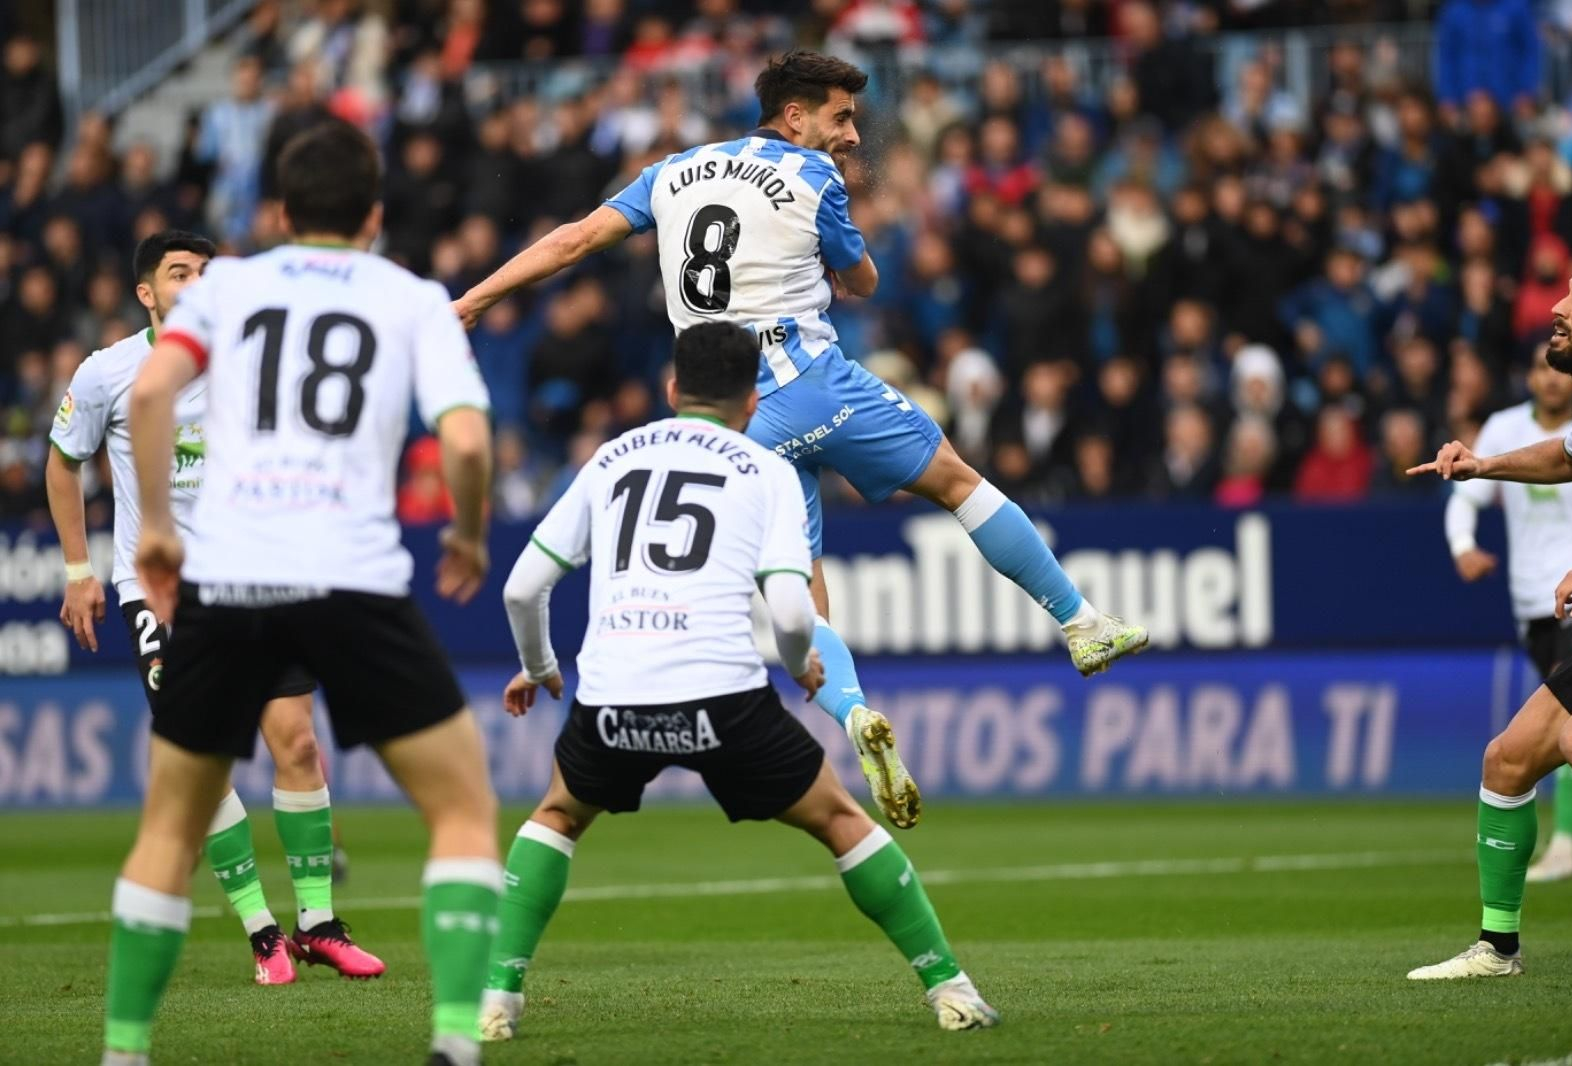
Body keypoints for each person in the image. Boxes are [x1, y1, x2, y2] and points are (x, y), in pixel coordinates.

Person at [452, 49, 1147, 830]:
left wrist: (475, 298)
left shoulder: (673, 171)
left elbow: (574, 240)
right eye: (841, 117)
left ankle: (852, 714)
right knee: (955, 480)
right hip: (812, 378)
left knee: (801, 579)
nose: (851, 135)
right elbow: (865, 283)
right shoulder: (815, 180)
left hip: (735, 417)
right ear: (795, 116)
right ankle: (1081, 622)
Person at [100, 122, 499, 1066]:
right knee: (462, 809)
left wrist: (156, 528)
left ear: (280, 213)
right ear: (372, 216)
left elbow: (152, 395)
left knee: (169, 825)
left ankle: (123, 1050)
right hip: (351, 575)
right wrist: (471, 532)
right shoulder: (410, 297)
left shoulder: (228, 285)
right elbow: (471, 442)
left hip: (229, 578)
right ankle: (454, 1041)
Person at [478, 322, 999, 1040]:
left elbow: (521, 587)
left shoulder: (610, 458)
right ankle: (950, 988)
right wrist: (800, 666)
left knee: (559, 815)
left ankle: (497, 998)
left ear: (670, 389)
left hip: (612, 696)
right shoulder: (765, 470)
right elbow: (790, 608)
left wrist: (540, 667)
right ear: (752, 401)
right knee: (842, 822)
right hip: (721, 697)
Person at [45, 230, 378, 986]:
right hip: (159, 590)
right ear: (147, 294)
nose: (196, 282)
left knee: (297, 743)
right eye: (178, 272)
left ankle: (318, 924)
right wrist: (77, 570)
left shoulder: (256, 356)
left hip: (258, 578)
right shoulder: (108, 373)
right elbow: (63, 466)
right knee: (204, 761)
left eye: (206, 271)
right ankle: (263, 935)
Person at [1406, 252, 1572, 980]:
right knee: (1507, 760)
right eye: (1566, 293)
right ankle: (1498, 949)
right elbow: (1567, 457)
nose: (1561, 307)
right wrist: (1482, 466)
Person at [1443, 343, 1572, 883]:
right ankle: (1498, 944)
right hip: (1539, 597)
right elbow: (1567, 463)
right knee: (1523, 750)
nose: (1550, 377)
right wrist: (1465, 538)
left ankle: (1564, 844)